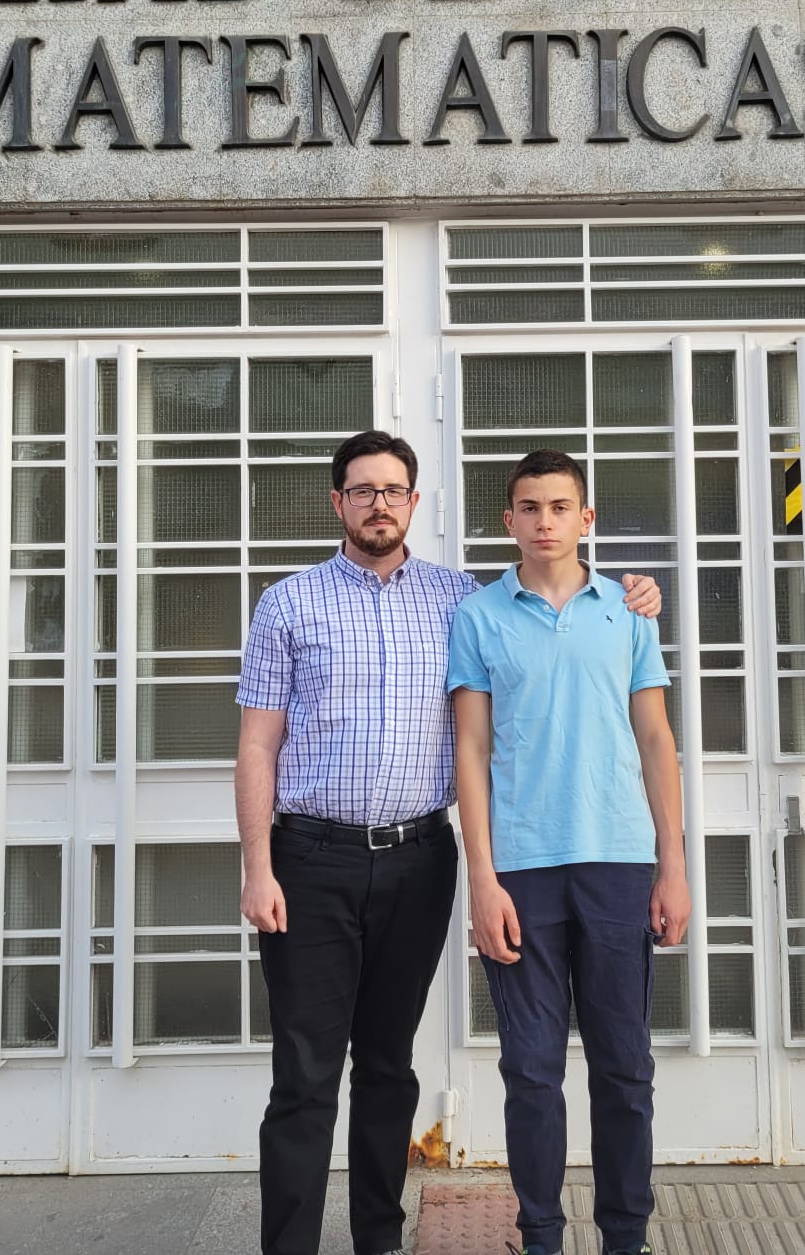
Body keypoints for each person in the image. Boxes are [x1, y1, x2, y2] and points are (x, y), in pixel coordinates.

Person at [234, 430, 661, 1255]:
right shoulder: (287, 603)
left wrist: (636, 591)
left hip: (418, 861)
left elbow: (551, 593)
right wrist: (258, 866)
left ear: (414, 502)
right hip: (310, 861)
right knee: (304, 1078)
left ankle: (379, 1241)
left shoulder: (459, 600)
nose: (379, 504)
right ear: (338, 502)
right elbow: (257, 744)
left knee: (388, 1066)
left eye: (393, 490)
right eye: (363, 491)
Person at [447, 448, 690, 1255]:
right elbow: (471, 749)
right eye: (529, 507)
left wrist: (674, 867)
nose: (544, 521)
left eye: (559, 507)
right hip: (521, 869)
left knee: (624, 1067)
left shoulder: (628, 610)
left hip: (618, 862)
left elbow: (655, 740)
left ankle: (626, 1238)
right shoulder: (478, 617)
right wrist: (482, 878)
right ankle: (542, 1238)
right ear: (508, 520)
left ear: (586, 518)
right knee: (530, 1070)